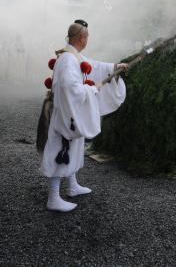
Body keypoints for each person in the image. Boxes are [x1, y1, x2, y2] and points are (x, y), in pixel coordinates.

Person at [40, 20, 128, 212]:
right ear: (82, 38)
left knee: (74, 147)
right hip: (65, 114)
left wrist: (114, 67)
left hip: (70, 112)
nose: (87, 40)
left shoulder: (73, 55)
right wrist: (91, 90)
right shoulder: (67, 60)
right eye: (87, 37)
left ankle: (72, 186)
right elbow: (69, 88)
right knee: (59, 151)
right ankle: (53, 197)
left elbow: (92, 66)